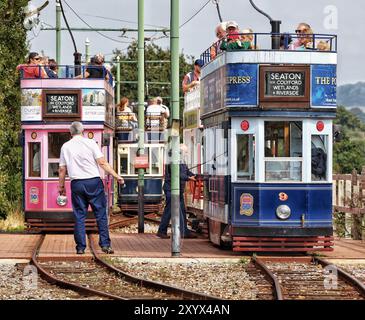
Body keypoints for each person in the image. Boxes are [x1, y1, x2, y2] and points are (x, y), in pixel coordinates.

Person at [58, 122, 124, 254]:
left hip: (77, 183)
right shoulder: (91, 143)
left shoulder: (65, 146)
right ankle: (105, 245)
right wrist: (117, 176)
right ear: (83, 131)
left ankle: (81, 248)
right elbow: (102, 162)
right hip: (93, 182)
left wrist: (61, 187)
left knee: (79, 216)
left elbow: (61, 169)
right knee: (100, 214)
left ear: (70, 133)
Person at [157, 144, 198, 239]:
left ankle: (184, 231)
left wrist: (195, 176)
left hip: (178, 189)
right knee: (169, 211)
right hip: (171, 189)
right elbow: (177, 174)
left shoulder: (181, 161)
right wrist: (189, 178)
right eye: (185, 152)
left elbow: (186, 172)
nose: (187, 154)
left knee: (182, 210)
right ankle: (162, 231)